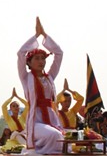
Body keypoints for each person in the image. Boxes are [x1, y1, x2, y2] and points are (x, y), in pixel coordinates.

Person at [17, 17, 64, 154]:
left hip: (52, 119)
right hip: (35, 122)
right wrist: (36, 36)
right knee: (55, 135)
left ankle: (43, 151)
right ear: (29, 62)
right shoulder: (26, 77)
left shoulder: (50, 77)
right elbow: (20, 53)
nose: (41, 61)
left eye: (43, 58)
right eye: (37, 58)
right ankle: (39, 150)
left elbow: (59, 53)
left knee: (66, 138)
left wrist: (45, 35)